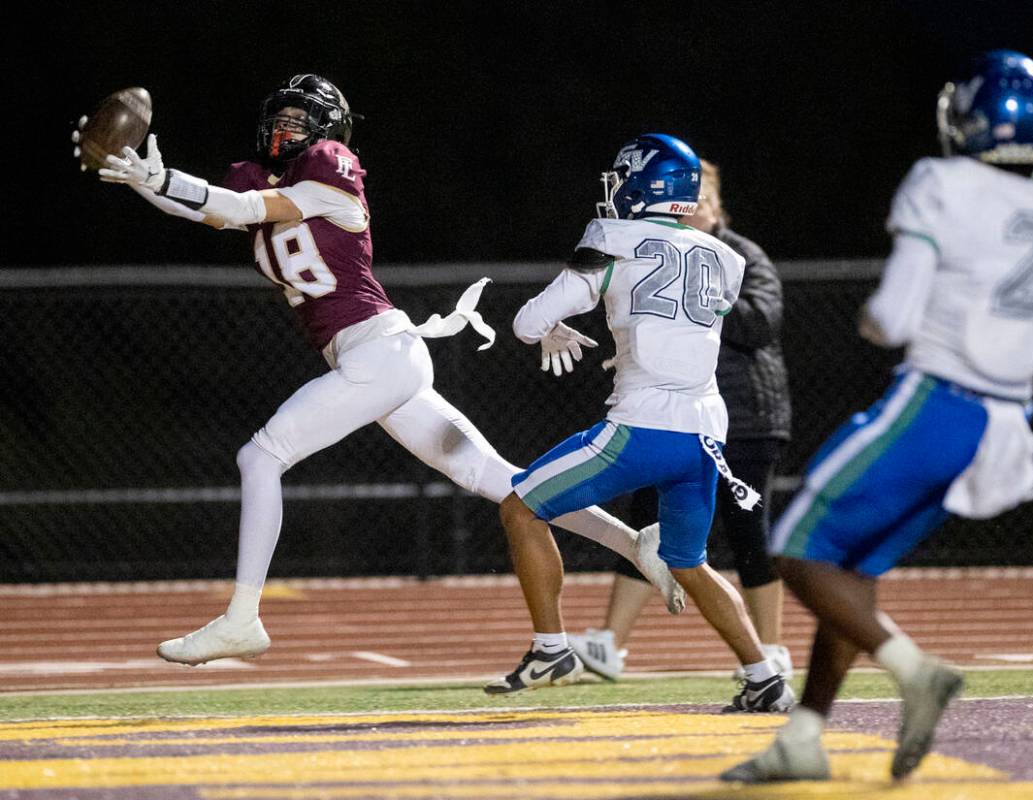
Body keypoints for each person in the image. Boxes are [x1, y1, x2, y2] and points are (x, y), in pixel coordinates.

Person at [75, 74, 684, 665]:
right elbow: (209, 210)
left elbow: (235, 207)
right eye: (279, 119)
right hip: (378, 362)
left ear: (325, 132)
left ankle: (242, 619)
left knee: (260, 457)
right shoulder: (261, 179)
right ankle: (637, 545)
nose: (285, 130)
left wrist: (162, 176)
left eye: (298, 121)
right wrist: (132, 172)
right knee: (499, 478)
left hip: (378, 352)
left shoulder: (329, 174)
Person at [722, 50, 1033, 784]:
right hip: (1008, 425)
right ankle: (805, 737)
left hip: (937, 405)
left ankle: (915, 670)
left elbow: (895, 313)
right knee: (852, 567)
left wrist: (874, 321)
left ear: (968, 118)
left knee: (795, 550)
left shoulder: (940, 183)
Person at [484, 133, 790, 713]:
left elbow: (528, 322)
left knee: (520, 507)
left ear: (642, 183)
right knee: (688, 563)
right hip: (706, 434)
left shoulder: (611, 240)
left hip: (640, 428)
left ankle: (551, 648)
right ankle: (763, 675)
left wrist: (551, 326)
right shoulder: (726, 256)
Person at [567, 160, 795, 690]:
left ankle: (770, 648)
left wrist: (702, 297)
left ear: (717, 208)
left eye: (702, 204)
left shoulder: (737, 257)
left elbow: (761, 323)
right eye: (685, 205)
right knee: (649, 518)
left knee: (747, 532)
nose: (691, 214)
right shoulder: (659, 253)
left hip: (746, 418)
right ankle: (608, 644)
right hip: (675, 417)